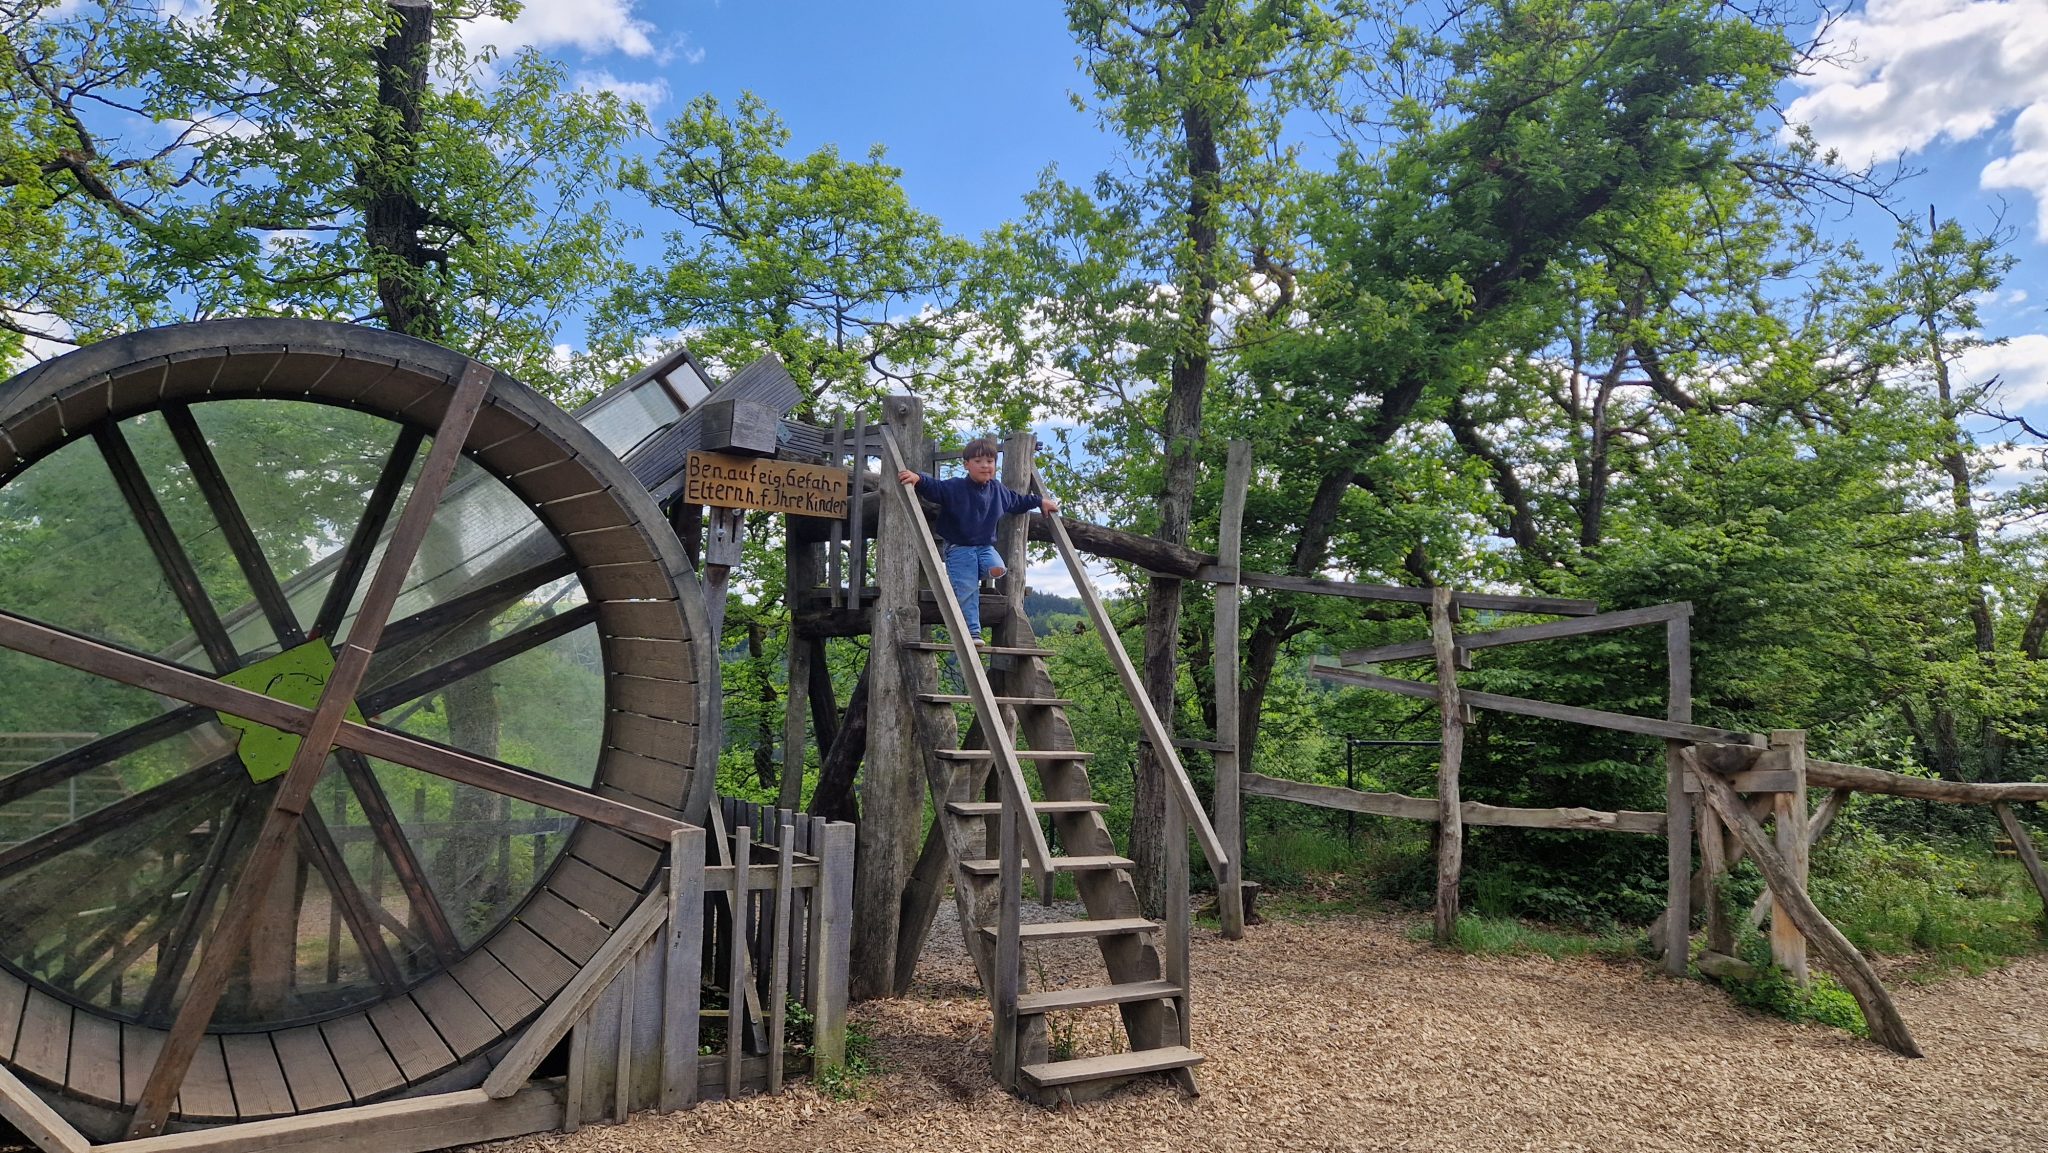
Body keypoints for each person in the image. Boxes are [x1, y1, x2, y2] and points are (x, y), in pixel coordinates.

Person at [897, 437, 1059, 647]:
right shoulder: (956, 487)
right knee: (967, 590)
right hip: (959, 549)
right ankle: (973, 633)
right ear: (967, 465)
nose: (985, 466)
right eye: (979, 461)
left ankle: (969, 575)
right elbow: (935, 488)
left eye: (990, 462)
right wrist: (917, 478)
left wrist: (1040, 501)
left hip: (984, 548)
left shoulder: (998, 490)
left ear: (995, 465)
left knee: (998, 568)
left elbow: (1018, 501)